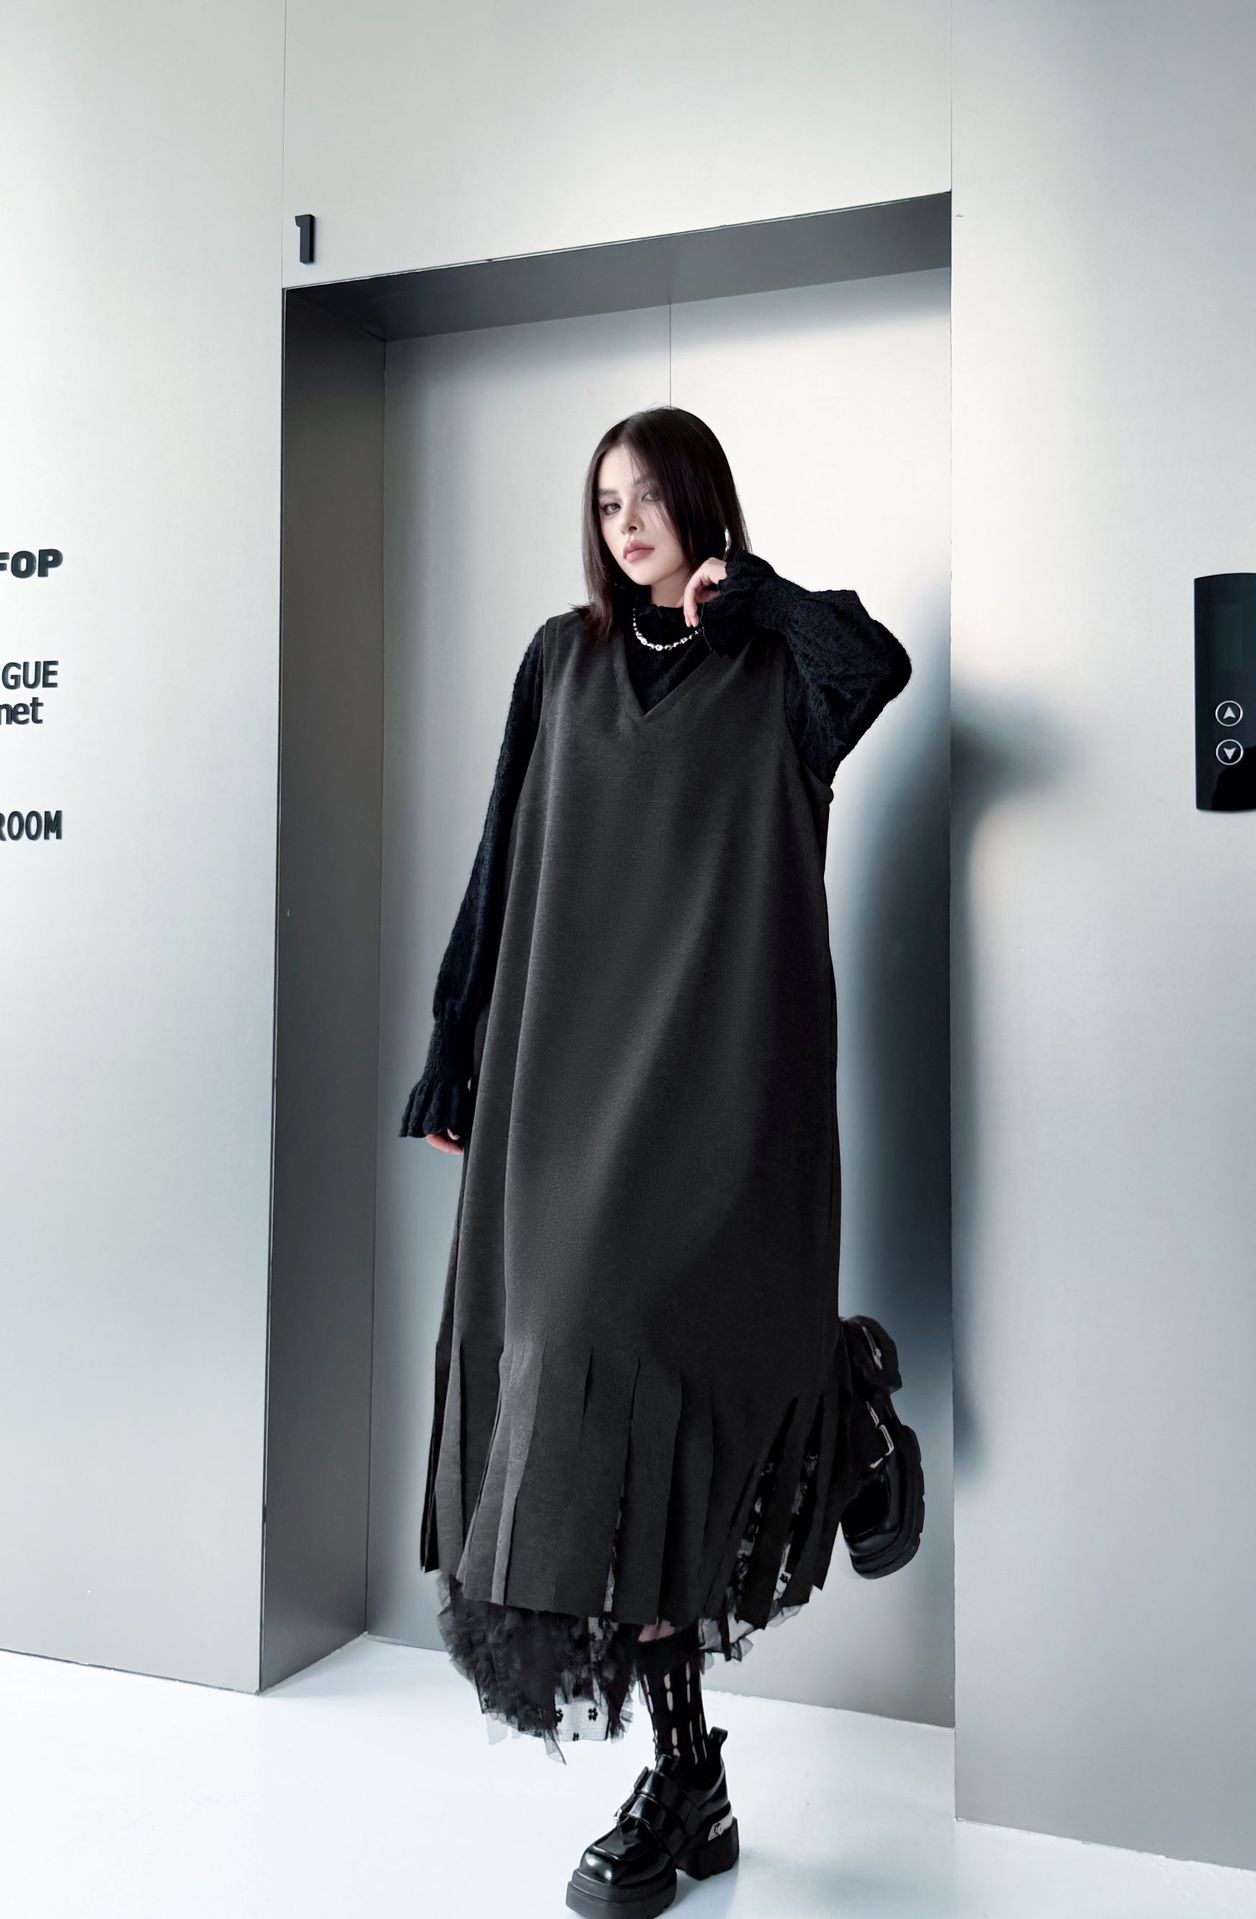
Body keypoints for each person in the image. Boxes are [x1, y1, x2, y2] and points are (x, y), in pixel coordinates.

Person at [400, 405, 911, 1914]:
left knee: (656, 1394)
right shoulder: (558, 663)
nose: (625, 525)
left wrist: (759, 595)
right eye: (606, 501)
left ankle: (832, 1397)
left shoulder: (781, 669)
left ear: (703, 502)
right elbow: (502, 852)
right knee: (594, 1415)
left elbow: (873, 664)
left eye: (649, 497)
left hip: (720, 1083)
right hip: (565, 1078)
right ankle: (692, 1776)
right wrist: (453, 1039)